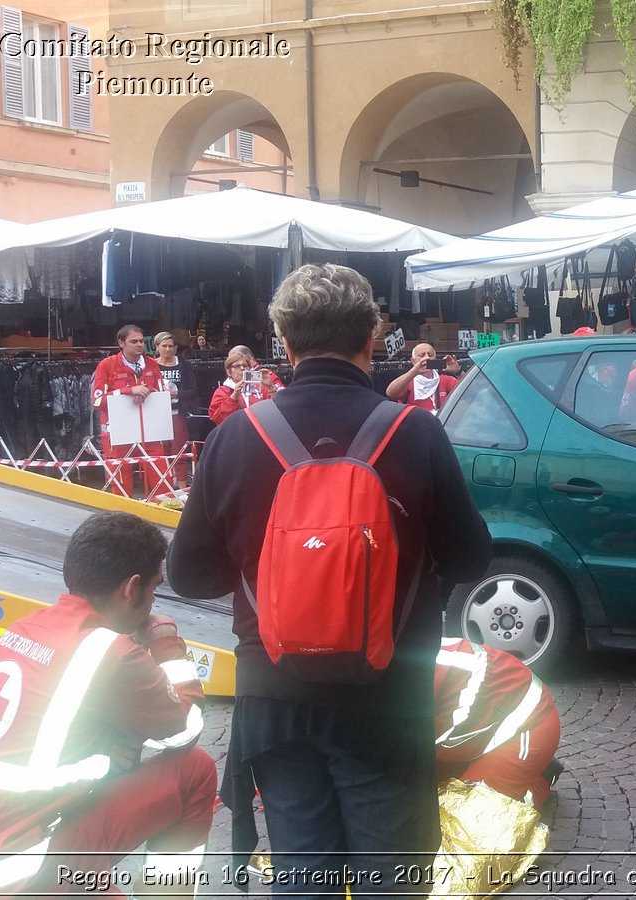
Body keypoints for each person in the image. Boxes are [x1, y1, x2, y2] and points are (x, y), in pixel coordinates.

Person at [168, 263, 492, 899]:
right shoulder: (416, 433)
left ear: (283, 344)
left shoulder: (236, 436)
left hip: (274, 696)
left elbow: (190, 574)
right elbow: (469, 561)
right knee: (389, 884)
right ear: (371, 340)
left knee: (304, 880)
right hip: (386, 696)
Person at [0, 511, 214, 897]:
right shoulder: (107, 651)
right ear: (132, 588)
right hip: (19, 874)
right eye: (155, 588)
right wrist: (165, 641)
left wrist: (106, 754)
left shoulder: (24, 629)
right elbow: (186, 729)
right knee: (195, 771)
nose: (152, 599)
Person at [435, 638, 561, 807]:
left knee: (466, 821)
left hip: (526, 725)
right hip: (470, 733)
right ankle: (468, 767)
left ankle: (539, 778)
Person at [91, 324, 166, 498]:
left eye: (141, 341)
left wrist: (148, 391)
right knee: (120, 481)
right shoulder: (107, 365)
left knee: (160, 475)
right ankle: (121, 516)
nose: (139, 345)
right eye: (134, 341)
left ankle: (164, 513)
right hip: (117, 431)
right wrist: (128, 391)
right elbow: (97, 402)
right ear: (121, 343)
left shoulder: (152, 364)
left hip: (150, 429)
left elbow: (163, 394)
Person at [153, 331, 202, 489]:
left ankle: (182, 489)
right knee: (160, 453)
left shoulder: (183, 364)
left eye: (171, 346)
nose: (168, 349)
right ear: (157, 347)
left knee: (179, 451)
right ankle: (164, 488)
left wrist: (177, 393)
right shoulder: (151, 365)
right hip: (157, 415)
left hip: (177, 413)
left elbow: (194, 390)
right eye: (164, 346)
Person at [207, 346, 281, 425]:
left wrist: (270, 387)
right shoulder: (222, 391)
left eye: (245, 365)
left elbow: (277, 411)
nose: (242, 368)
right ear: (229, 372)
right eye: (237, 366)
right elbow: (217, 418)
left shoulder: (260, 387)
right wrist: (233, 397)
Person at [385, 342, 462, 413]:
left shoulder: (444, 380)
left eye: (430, 355)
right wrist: (415, 371)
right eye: (422, 355)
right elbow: (390, 393)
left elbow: (469, 392)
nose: (427, 358)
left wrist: (458, 371)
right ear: (413, 361)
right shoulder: (408, 382)